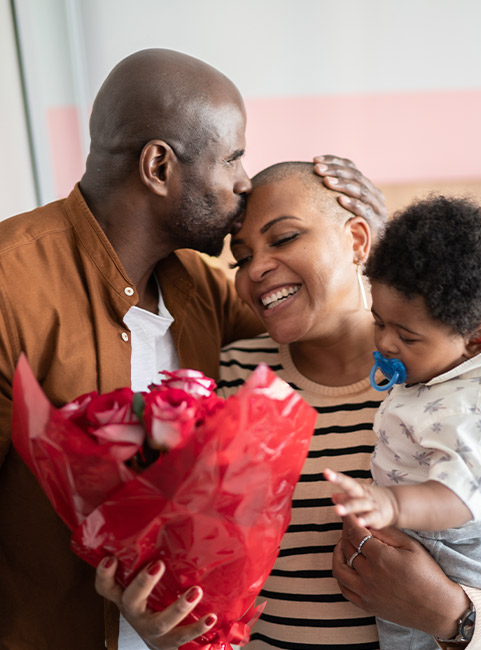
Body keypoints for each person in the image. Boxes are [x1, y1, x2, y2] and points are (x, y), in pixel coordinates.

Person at [0, 48, 376, 650]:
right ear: (158, 166)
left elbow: (321, 310)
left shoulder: (205, 291)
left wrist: (372, 241)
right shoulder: (9, 282)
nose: (244, 182)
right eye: (233, 157)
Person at [218, 163, 481, 650]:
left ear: (356, 240)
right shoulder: (230, 378)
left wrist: (450, 613)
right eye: (240, 258)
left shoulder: (464, 386)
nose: (256, 268)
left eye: (283, 238)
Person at [325, 195, 481, 650]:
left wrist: (391, 506)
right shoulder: (444, 366)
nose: (385, 342)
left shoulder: (475, 414)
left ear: (474, 341)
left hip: (471, 548)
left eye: (406, 336)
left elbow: (459, 498)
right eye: (378, 321)